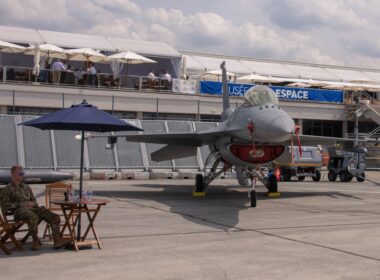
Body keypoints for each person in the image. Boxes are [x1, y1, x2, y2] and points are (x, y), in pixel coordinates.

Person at [0, 165, 70, 250]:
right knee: (33, 217)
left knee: (55, 217)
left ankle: (57, 240)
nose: (22, 175)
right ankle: (35, 241)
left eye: (23, 173)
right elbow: (5, 206)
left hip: (33, 209)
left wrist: (33, 204)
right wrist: (22, 204)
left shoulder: (26, 187)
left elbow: (35, 201)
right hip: (19, 211)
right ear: (12, 174)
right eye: (20, 173)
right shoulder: (6, 189)